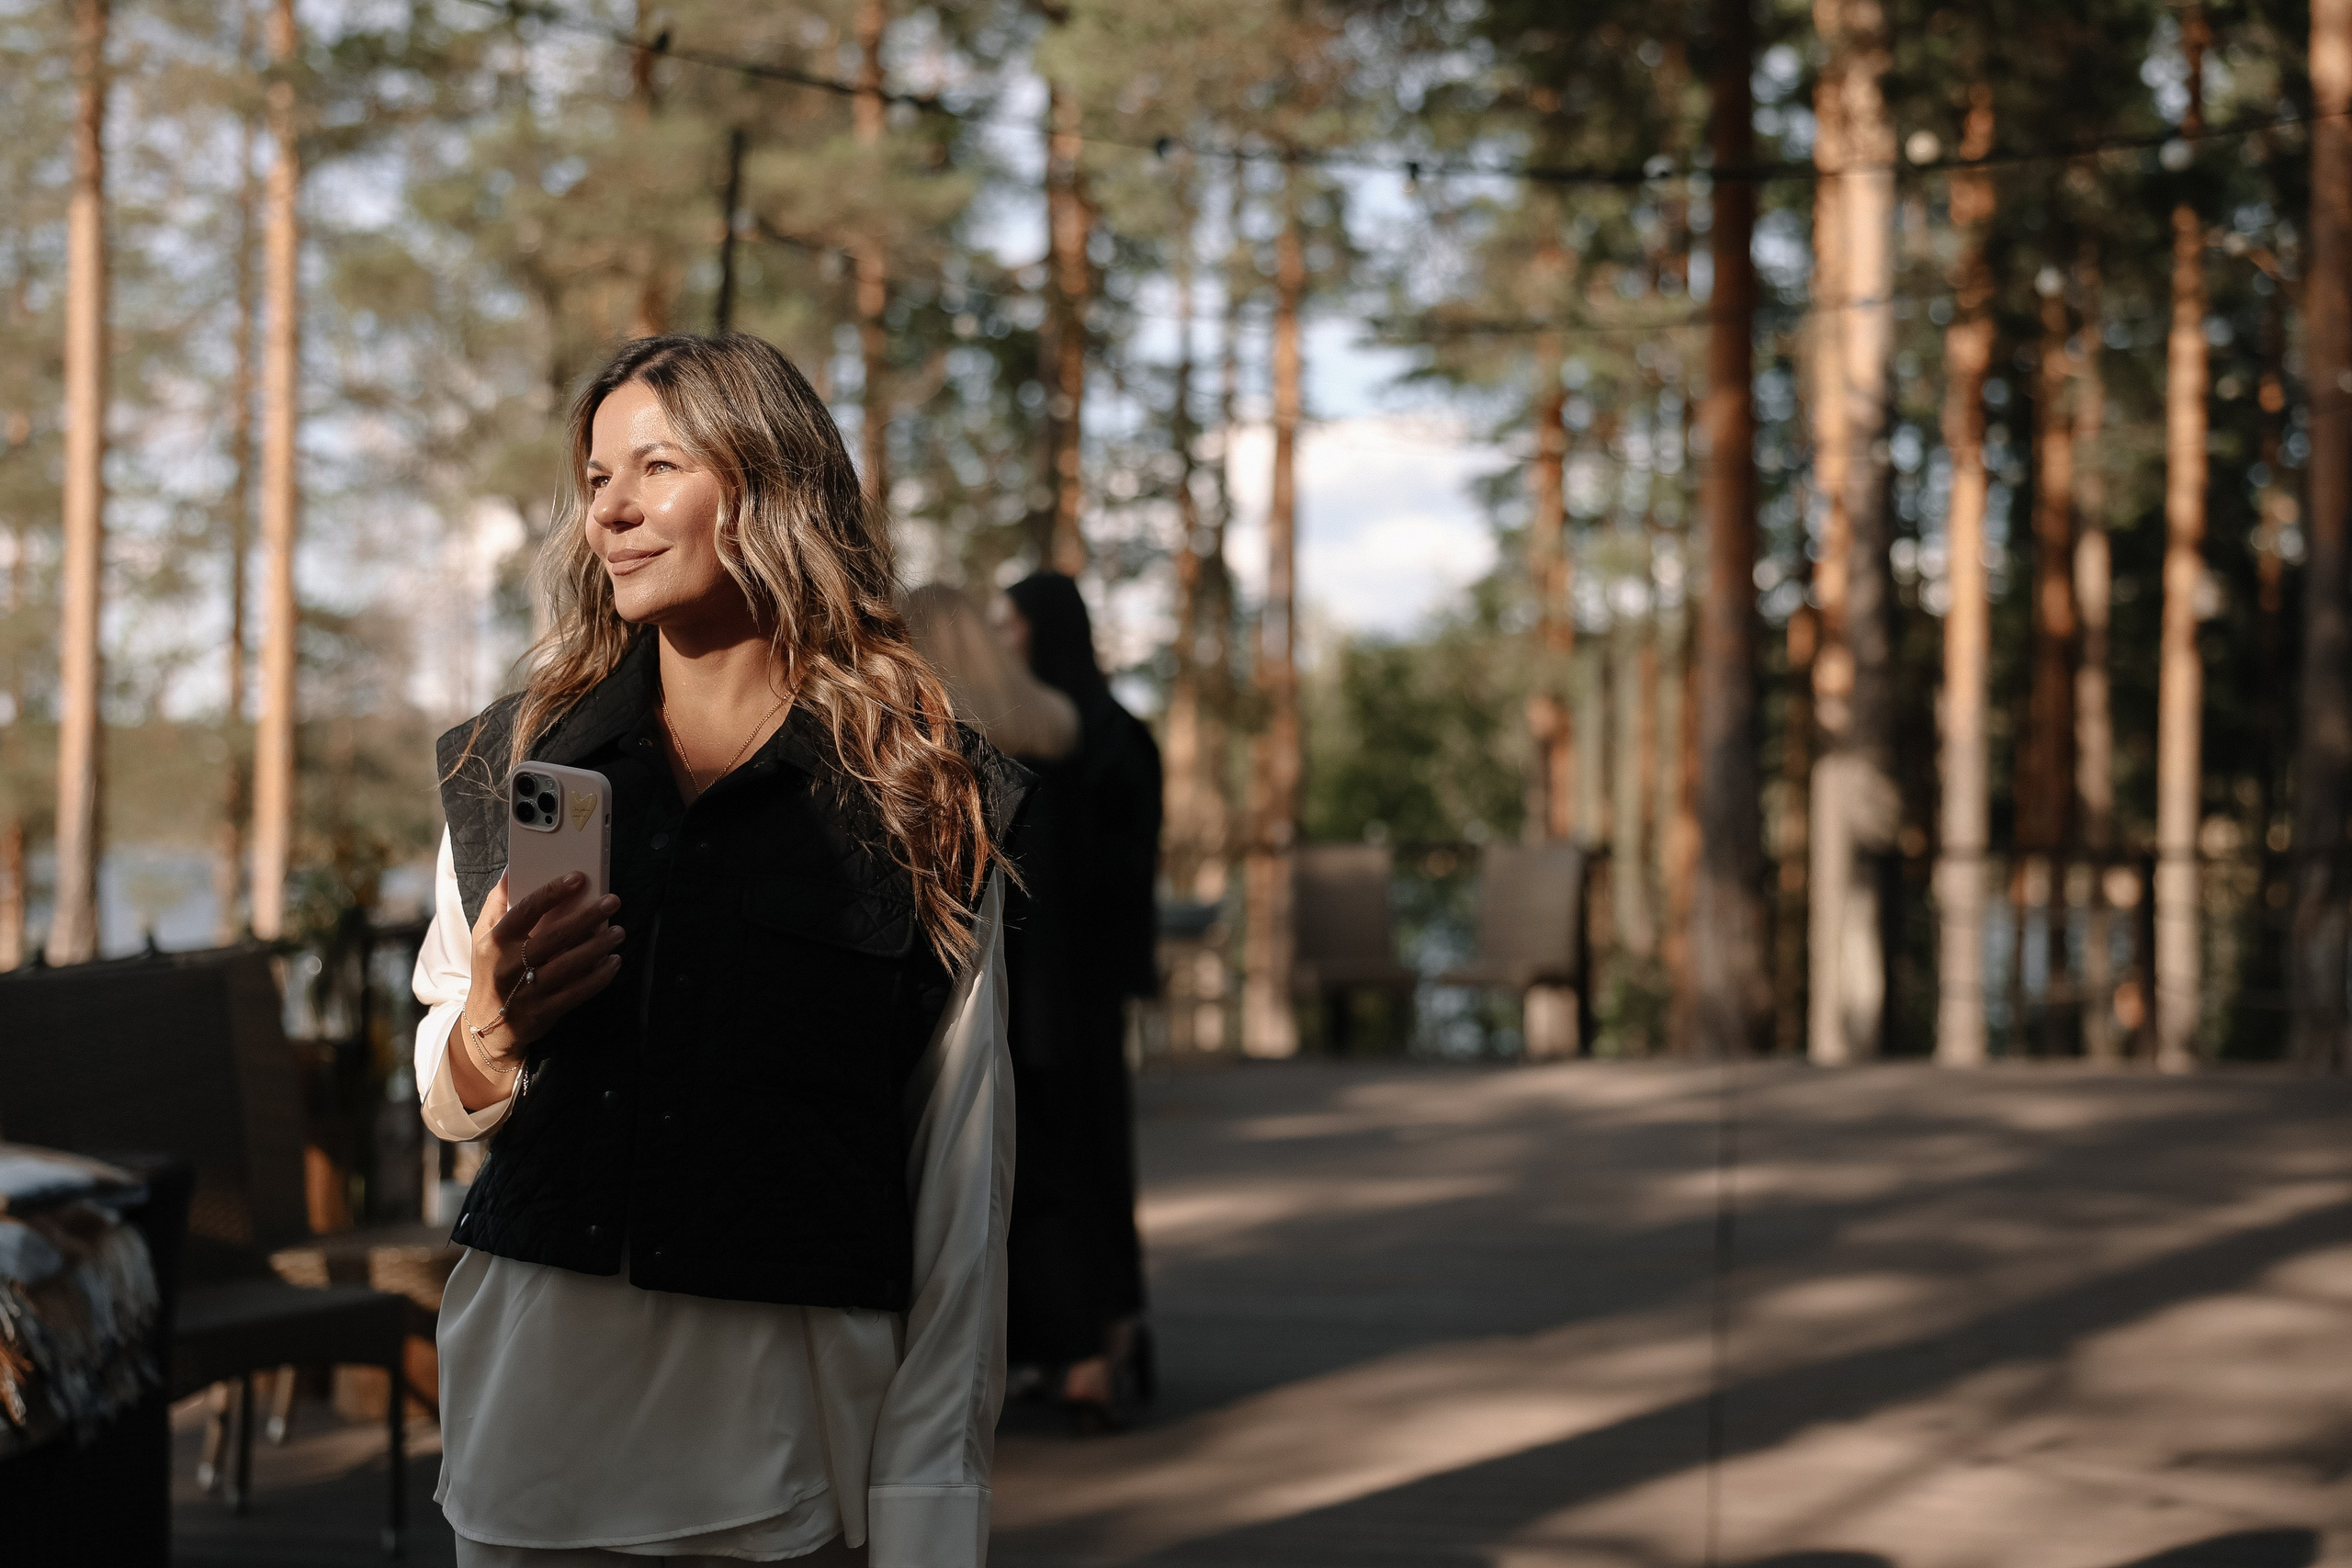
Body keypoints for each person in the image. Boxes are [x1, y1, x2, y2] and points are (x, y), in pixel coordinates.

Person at [411, 333, 1025, 1568]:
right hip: (527, 1446)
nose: (614, 510)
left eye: (658, 465)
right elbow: (443, 1085)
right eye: (596, 479)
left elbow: (962, 1188)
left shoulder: (919, 793)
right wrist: (488, 1027)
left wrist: (927, 1516)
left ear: (771, 483)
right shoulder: (519, 764)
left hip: (777, 1457)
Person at [994, 571, 1162, 1427]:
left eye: (1014, 624)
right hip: (1066, 987)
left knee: (1080, 1163)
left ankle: (1099, 1338)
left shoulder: (1098, 738)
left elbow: (1122, 873)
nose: (1005, 640)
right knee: (1074, 1162)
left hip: (1075, 989)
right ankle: (1073, 1341)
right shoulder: (1066, 735)